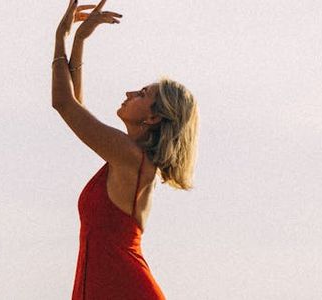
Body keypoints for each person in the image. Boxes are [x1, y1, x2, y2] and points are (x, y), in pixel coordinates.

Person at [51, 0, 199, 299]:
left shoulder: (130, 157)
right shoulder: (127, 156)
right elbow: (75, 106)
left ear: (153, 117)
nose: (129, 93)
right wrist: (79, 42)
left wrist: (61, 37)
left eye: (142, 94)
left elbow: (64, 103)